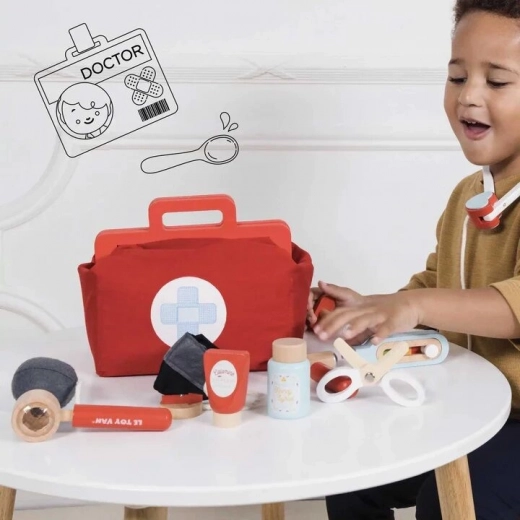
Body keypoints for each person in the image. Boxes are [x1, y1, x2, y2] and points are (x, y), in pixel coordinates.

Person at [307, 1, 520, 518]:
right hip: (473, 406)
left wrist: (415, 307)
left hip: (514, 422)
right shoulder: (469, 194)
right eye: (457, 77)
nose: (468, 96)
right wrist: (376, 310)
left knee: (449, 500)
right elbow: (439, 282)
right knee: (354, 465)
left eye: (496, 81)